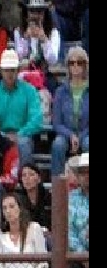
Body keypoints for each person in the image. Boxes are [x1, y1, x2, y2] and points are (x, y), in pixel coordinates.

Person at [0, 49, 46, 150]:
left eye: (12, 70)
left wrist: (20, 134)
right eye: (6, 70)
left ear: (18, 71)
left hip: (23, 137)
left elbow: (37, 119)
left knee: (23, 143)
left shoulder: (30, 91)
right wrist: (1, 136)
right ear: (1, 71)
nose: (10, 74)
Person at [50, 45, 89, 176]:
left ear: (85, 66)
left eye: (80, 62)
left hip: (86, 133)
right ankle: (57, 184)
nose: (76, 66)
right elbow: (56, 123)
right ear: (68, 66)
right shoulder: (60, 91)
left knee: (88, 143)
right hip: (65, 133)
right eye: (72, 63)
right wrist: (71, 135)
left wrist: (80, 136)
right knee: (58, 145)